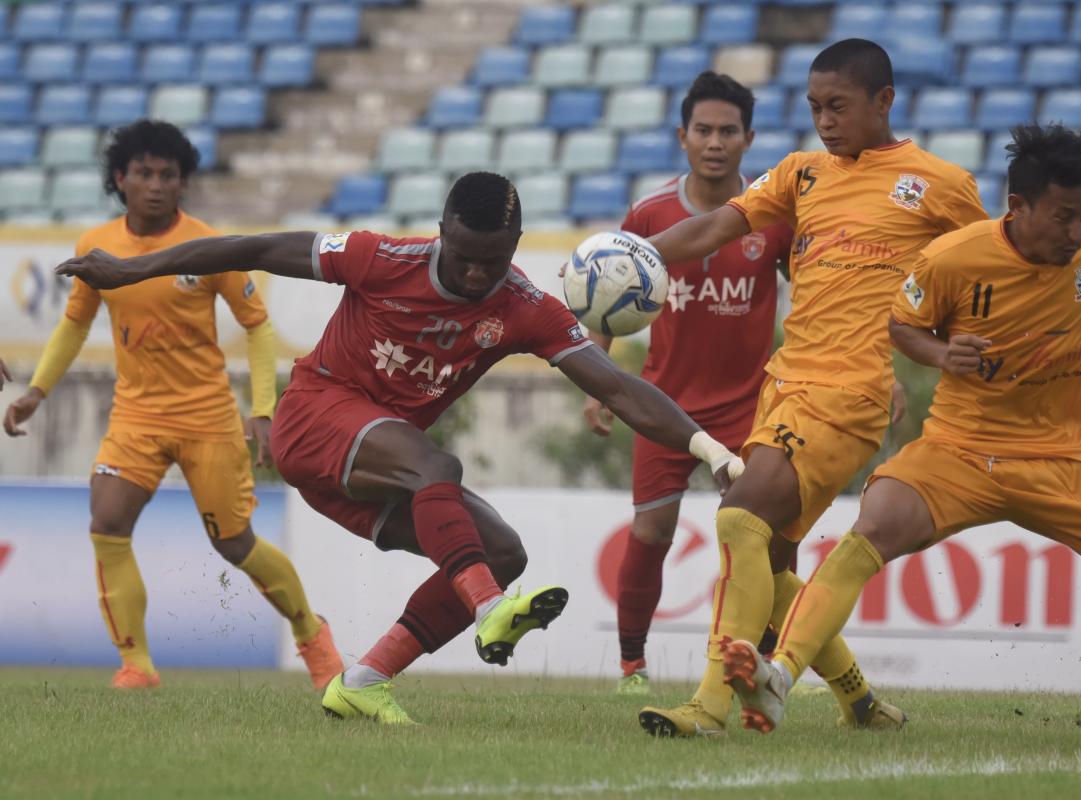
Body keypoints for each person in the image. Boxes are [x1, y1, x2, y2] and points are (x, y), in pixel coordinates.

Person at [56, 171, 745, 726]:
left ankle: (365, 680)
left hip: (375, 470)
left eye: (493, 261)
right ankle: (489, 609)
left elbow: (620, 388)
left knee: (502, 551)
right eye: (463, 256)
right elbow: (254, 248)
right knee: (435, 466)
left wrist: (710, 451)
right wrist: (133, 269)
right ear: (442, 231)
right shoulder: (378, 258)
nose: (475, 275)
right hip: (314, 421)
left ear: (516, 243)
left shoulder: (525, 307)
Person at [719, 124, 1081, 733]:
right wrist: (940, 354)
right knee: (872, 526)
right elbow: (903, 325)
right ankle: (779, 676)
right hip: (958, 452)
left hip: (1062, 463)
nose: (1075, 232)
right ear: (1018, 206)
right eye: (1063, 216)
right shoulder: (952, 258)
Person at [635, 38, 989, 738]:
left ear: (884, 102)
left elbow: (992, 269)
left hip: (850, 395)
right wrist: (634, 255)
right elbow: (712, 228)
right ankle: (861, 703)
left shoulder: (938, 183)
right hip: (785, 386)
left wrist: (948, 348)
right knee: (766, 562)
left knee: (738, 519)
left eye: (839, 107)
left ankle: (708, 707)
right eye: (815, 107)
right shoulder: (801, 173)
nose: (825, 121)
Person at [4, 120, 342, 690]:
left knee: (233, 543)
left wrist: (262, 410)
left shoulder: (208, 247)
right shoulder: (95, 246)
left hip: (207, 417)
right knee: (107, 523)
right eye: (145, 173)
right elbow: (75, 323)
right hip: (135, 416)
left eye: (169, 175)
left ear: (183, 183)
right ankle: (136, 665)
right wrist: (37, 391)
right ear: (121, 178)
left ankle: (311, 632)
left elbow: (257, 325)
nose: (157, 186)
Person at [582, 72, 794, 695]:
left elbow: (812, 291)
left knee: (770, 538)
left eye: (728, 131)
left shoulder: (771, 214)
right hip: (664, 406)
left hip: (749, 407)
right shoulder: (651, 213)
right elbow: (607, 291)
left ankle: (775, 663)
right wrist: (596, 382)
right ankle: (632, 667)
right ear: (683, 136)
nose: (715, 142)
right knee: (651, 533)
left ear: (748, 138)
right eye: (704, 130)